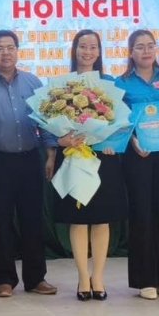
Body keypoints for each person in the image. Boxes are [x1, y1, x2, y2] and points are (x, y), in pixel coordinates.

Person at [0, 30, 57, 298]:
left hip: (30, 158)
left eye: (10, 47)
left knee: (32, 220)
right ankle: (4, 280)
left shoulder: (32, 82)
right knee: (0, 221)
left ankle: (35, 278)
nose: (5, 53)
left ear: (18, 50)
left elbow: (46, 120)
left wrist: (51, 154)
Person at [53, 30, 126, 301]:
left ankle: (99, 278)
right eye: (82, 46)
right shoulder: (62, 86)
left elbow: (121, 124)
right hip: (74, 154)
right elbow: (50, 124)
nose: (87, 51)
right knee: (79, 219)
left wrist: (112, 141)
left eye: (93, 46)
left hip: (103, 158)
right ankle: (83, 279)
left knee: (102, 219)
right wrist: (61, 139)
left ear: (99, 51)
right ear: (74, 50)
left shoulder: (111, 84)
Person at [115, 29, 159, 300]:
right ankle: (145, 280)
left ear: (157, 50)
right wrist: (133, 140)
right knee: (141, 213)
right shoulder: (122, 83)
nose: (145, 51)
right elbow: (120, 119)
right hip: (137, 154)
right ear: (131, 52)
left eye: (150, 46)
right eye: (139, 46)